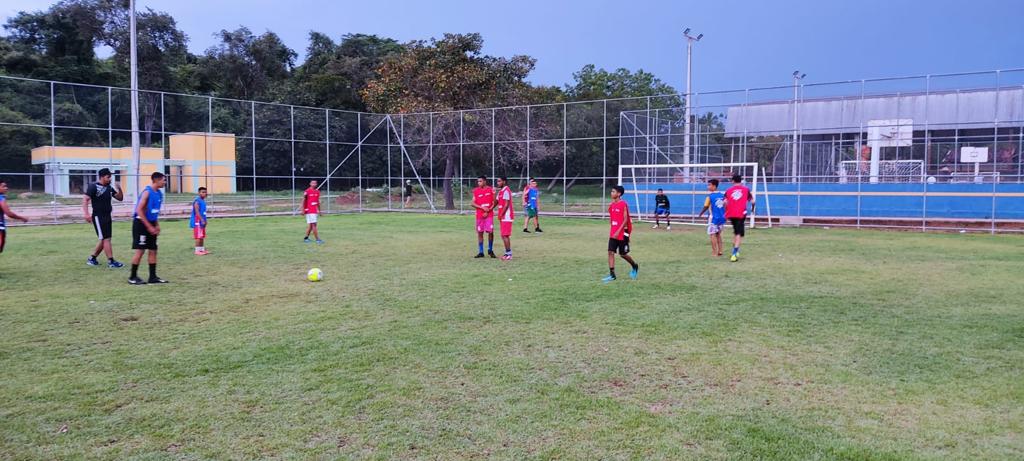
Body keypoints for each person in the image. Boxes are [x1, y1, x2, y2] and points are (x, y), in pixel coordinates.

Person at [129, 172, 167, 285]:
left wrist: (156, 224)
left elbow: (153, 212)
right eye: (163, 180)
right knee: (140, 250)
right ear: (156, 180)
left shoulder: (159, 193)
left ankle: (153, 277)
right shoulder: (147, 192)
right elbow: (139, 210)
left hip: (151, 223)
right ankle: (132, 277)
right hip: (141, 224)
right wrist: (149, 226)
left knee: (153, 249)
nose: (165, 182)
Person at [83, 168, 125, 268]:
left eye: (110, 177)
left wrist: (119, 189)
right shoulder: (94, 186)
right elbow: (85, 200)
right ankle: (111, 261)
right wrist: (86, 214)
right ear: (102, 177)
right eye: (108, 177)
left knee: (104, 239)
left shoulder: (109, 187)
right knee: (106, 239)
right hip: (98, 217)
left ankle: (92, 258)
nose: (110, 178)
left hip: (107, 216)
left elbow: (120, 198)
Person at [602, 185, 639, 283]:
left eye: (613, 191)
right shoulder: (612, 205)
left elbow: (626, 219)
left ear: (619, 194)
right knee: (610, 252)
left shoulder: (623, 204)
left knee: (622, 254)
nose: (611, 193)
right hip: (613, 233)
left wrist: (619, 231)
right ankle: (612, 275)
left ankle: (634, 265)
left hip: (622, 233)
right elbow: (612, 218)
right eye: (611, 191)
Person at [724, 173, 755, 262]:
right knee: (738, 233)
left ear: (733, 181)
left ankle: (736, 250)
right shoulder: (746, 190)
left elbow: (725, 202)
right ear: (741, 181)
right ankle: (734, 254)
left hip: (731, 214)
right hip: (741, 214)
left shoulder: (728, 190)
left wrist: (727, 210)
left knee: (736, 232)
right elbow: (753, 201)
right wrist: (752, 210)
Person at [696, 179, 727, 257]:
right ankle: (720, 251)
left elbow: (706, 206)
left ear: (714, 186)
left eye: (709, 185)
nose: (708, 187)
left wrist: (700, 213)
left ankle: (714, 252)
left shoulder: (710, 196)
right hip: (722, 218)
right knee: (718, 234)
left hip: (713, 218)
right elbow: (726, 205)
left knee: (712, 234)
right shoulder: (722, 195)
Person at [0, 179, 29, 254]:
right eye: (3, 186)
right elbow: (9, 213)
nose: (6, 188)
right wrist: (22, 218)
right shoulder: (1, 198)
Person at [471, 175, 497, 258]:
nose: (479, 183)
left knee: (490, 232)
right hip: (479, 215)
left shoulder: (491, 189)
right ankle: (481, 252)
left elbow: (495, 202)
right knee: (480, 233)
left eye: (480, 181)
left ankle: (490, 250)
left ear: (485, 181)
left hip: (489, 215)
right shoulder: (476, 191)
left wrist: (488, 210)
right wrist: (482, 208)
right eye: (478, 181)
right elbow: (472, 203)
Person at [495, 176, 514, 260]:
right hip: (503, 216)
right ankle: (507, 253)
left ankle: (509, 254)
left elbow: (506, 204)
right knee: (503, 235)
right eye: (497, 181)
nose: (498, 183)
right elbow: (496, 202)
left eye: (499, 181)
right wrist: (494, 193)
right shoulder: (500, 191)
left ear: (504, 182)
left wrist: (501, 214)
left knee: (505, 235)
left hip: (506, 216)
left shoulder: (506, 190)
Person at [190, 187, 209, 255]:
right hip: (197, 221)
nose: (204, 193)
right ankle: (197, 251)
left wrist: (205, 220)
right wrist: (201, 220)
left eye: (205, 192)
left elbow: (203, 212)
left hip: (202, 220)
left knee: (202, 236)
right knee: (198, 236)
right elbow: (197, 212)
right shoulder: (197, 201)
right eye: (203, 192)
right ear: (199, 193)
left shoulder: (203, 201)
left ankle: (202, 250)